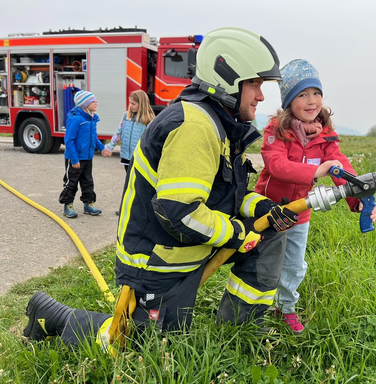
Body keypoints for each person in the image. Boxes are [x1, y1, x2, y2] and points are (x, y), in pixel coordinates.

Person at [23, 27, 300, 347]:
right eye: (255, 84)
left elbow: (225, 192)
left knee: (267, 234)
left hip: (186, 249)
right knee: (147, 348)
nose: (261, 95)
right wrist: (239, 233)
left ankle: (239, 332)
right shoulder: (194, 127)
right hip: (156, 262)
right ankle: (53, 315)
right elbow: (179, 211)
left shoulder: (219, 125)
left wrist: (260, 208)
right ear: (228, 76)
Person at [254, 59, 376, 333]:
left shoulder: (326, 136)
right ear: (289, 100)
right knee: (263, 264)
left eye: (316, 93)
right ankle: (254, 311)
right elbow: (276, 166)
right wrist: (313, 173)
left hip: (300, 215)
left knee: (295, 267)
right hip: (269, 211)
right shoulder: (276, 130)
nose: (311, 101)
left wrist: (358, 199)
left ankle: (284, 308)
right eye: (302, 94)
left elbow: (340, 168)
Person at [58, 90, 110, 218]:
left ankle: (88, 204)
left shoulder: (91, 119)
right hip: (75, 158)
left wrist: (102, 148)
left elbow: (94, 137)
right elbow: (69, 141)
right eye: (93, 101)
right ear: (85, 104)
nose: (96, 103)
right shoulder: (76, 119)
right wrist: (74, 160)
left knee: (88, 181)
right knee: (72, 182)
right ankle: (68, 205)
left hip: (87, 157)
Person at [105, 90, 155, 172]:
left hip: (140, 157)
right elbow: (118, 132)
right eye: (130, 103)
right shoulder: (126, 116)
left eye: (133, 104)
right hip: (126, 157)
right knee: (128, 182)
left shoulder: (149, 119)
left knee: (137, 183)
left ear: (142, 104)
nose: (130, 106)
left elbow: (152, 139)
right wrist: (110, 147)